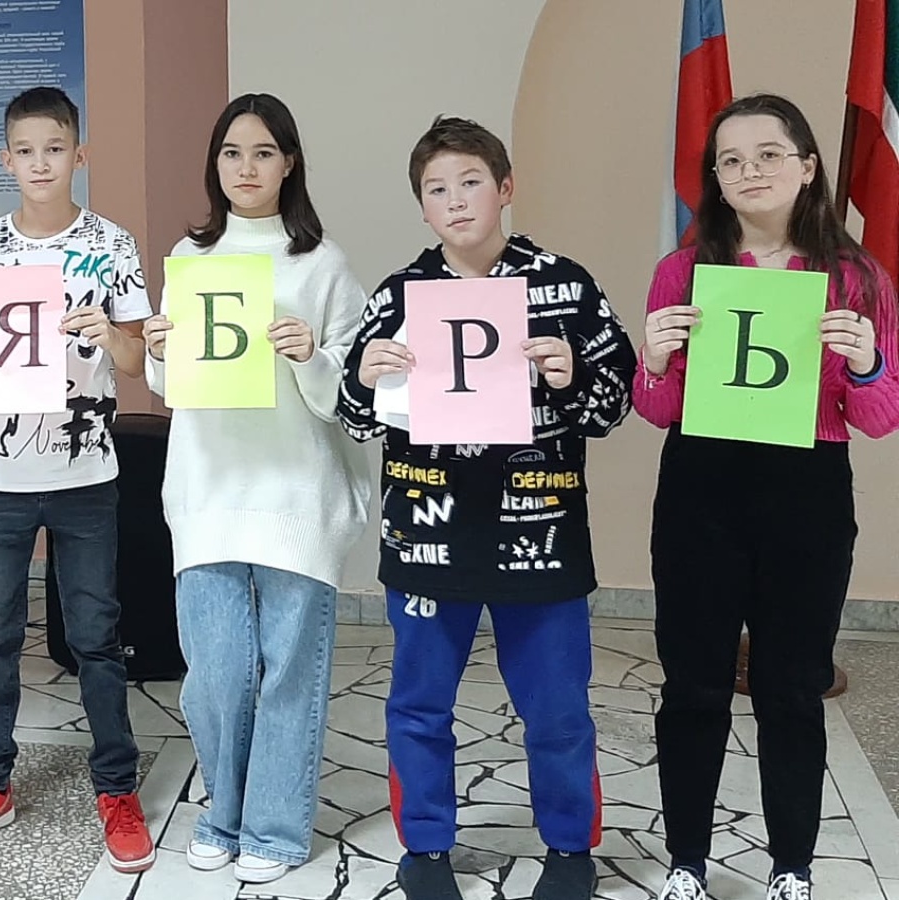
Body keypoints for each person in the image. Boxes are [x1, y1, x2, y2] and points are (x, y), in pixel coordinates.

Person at [337, 115, 636, 900]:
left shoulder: (565, 285)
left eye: (471, 182)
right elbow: (355, 418)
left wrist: (572, 374)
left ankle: (569, 848)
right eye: (437, 189)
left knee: (558, 707)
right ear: (422, 207)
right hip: (427, 535)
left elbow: (615, 404)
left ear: (505, 189)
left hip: (540, 534)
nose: (456, 201)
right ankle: (426, 848)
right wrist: (363, 375)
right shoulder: (399, 294)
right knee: (419, 705)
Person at [634, 93, 899, 900]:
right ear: (714, 178)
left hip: (806, 494)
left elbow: (878, 418)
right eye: (731, 160)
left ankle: (792, 867)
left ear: (808, 166)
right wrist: (654, 360)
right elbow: (657, 409)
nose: (749, 171)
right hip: (701, 488)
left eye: (768, 154)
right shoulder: (683, 271)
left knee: (791, 688)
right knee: (693, 685)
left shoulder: (856, 276)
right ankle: (686, 860)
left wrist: (865, 365)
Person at [0, 85, 155, 874]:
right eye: (26, 151)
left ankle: (116, 787)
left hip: (86, 469)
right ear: (6, 160)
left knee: (96, 636)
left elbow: (137, 363)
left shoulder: (112, 244)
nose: (41, 163)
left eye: (55, 149)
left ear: (78, 155)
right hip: (0, 473)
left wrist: (109, 335)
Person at [140, 93, 371, 884]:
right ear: (215, 164)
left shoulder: (322, 263)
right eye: (232, 153)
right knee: (215, 677)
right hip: (208, 491)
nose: (246, 168)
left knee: (288, 674)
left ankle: (273, 829)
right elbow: (172, 386)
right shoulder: (190, 255)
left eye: (264, 152)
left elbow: (351, 394)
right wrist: (159, 350)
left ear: (290, 163)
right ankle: (222, 814)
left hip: (296, 496)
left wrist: (312, 354)